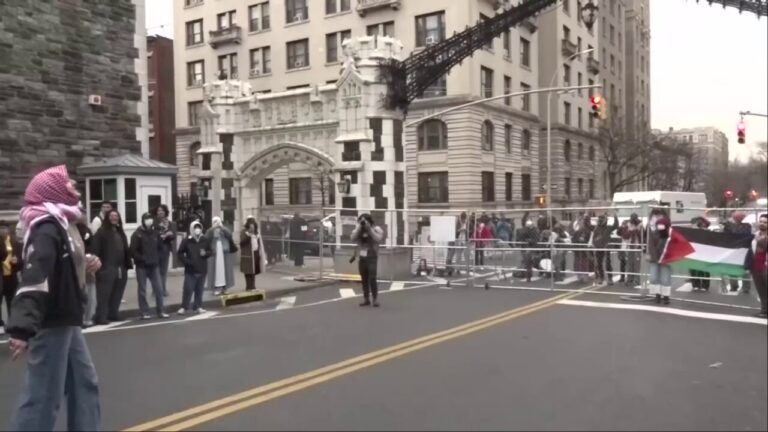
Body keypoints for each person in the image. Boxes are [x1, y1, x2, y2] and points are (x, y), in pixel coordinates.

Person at [6, 165, 101, 431]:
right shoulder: (46, 226)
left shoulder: (64, 222)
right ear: (53, 190)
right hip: (52, 321)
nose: (75, 188)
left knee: (85, 384)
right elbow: (37, 273)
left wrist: (86, 263)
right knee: (43, 397)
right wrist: (22, 327)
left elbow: (63, 263)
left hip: (67, 318)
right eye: (69, 184)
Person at [91, 210, 132, 324]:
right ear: (107, 218)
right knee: (104, 294)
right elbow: (95, 249)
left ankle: (113, 313)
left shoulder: (120, 231)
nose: (114, 218)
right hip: (107, 268)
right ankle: (101, 316)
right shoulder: (101, 232)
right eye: (112, 216)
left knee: (117, 292)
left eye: (116, 216)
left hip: (121, 267)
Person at [130, 212, 168, 319]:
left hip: (154, 266)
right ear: (143, 220)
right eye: (147, 219)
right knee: (142, 290)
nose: (149, 220)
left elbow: (161, 247)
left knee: (159, 289)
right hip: (142, 266)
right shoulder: (137, 234)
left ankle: (161, 311)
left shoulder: (155, 233)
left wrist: (157, 258)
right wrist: (142, 259)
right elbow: (133, 250)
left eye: (150, 218)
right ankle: (144, 312)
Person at [177, 220, 212, 315]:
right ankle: (184, 307)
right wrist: (187, 262)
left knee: (199, 289)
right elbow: (180, 253)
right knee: (188, 289)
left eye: (199, 228)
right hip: (190, 270)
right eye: (195, 228)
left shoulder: (204, 239)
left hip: (202, 268)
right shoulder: (187, 241)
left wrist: (206, 253)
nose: (197, 230)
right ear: (192, 229)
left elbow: (210, 251)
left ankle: (198, 306)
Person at [350, 214, 384, 307]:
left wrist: (369, 229)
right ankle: (366, 299)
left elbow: (378, 239)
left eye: (365, 221)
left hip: (372, 257)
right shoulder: (358, 229)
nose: (363, 223)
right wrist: (360, 227)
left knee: (372, 278)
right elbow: (352, 238)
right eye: (361, 221)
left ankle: (375, 299)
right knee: (364, 279)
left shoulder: (377, 229)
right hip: (362, 257)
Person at [206, 216, 237, 296]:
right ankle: (216, 288)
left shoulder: (224, 230)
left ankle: (225, 287)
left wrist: (222, 228)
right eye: (215, 222)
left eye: (218, 221)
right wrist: (213, 229)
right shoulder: (210, 230)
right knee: (215, 271)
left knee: (225, 270)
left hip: (224, 252)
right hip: (214, 253)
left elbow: (229, 235)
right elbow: (206, 239)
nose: (216, 223)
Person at [723, 211, 753, 293]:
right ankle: (739, 287)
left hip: (741, 251)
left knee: (742, 270)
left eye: (738, 217)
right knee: (737, 269)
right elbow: (725, 236)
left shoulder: (746, 226)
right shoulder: (730, 227)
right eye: (736, 217)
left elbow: (737, 234)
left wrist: (728, 226)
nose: (736, 219)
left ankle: (741, 287)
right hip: (737, 251)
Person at [647, 209, 672, 305]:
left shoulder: (666, 226)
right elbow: (649, 241)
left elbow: (664, 240)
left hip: (665, 255)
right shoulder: (650, 227)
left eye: (659, 215)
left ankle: (666, 296)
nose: (657, 218)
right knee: (653, 277)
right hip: (654, 255)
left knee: (665, 278)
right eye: (655, 215)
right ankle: (657, 294)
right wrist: (651, 254)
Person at [75, 215, 96, 327]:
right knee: (83, 292)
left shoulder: (87, 230)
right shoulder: (71, 230)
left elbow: (92, 245)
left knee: (90, 293)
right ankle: (82, 317)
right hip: (78, 266)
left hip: (88, 263)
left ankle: (87, 317)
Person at [1, 223, 23, 329]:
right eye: (0, 229)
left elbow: (22, 260)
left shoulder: (16, 244)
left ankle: (12, 322)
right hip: (1, 275)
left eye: (4, 228)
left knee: (12, 300)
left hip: (12, 276)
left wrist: (17, 261)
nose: (2, 231)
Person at [154, 204, 177, 298]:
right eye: (159, 210)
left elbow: (173, 235)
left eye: (162, 210)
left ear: (165, 212)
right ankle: (157, 289)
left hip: (165, 248)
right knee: (156, 271)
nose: (160, 212)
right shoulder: (153, 223)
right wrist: (161, 235)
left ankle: (163, 289)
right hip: (155, 249)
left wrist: (169, 234)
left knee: (163, 271)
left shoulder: (170, 223)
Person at [589, 214, 619, 285]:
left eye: (601, 220)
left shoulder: (608, 228)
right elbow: (594, 238)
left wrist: (615, 216)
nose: (600, 221)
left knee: (608, 263)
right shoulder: (596, 228)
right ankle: (601, 277)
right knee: (599, 264)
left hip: (606, 248)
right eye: (599, 219)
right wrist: (595, 245)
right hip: (598, 248)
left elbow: (616, 225)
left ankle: (610, 278)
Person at [240, 217, 267, 291]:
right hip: (247, 255)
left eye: (254, 225)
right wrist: (248, 235)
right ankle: (249, 286)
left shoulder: (256, 232)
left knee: (253, 271)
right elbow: (242, 242)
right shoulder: (244, 232)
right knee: (248, 271)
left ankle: (252, 286)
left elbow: (259, 243)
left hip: (255, 253)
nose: (253, 227)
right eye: (251, 225)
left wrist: (261, 253)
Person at [618, 213, 643, 287]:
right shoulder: (628, 225)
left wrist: (637, 229)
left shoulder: (640, 225)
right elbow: (624, 236)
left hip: (637, 246)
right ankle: (629, 278)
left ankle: (637, 280)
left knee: (637, 264)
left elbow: (642, 236)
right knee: (629, 263)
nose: (633, 221)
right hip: (629, 246)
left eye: (635, 219)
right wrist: (631, 230)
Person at [750, 214, 768, 318]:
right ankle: (764, 311)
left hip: (766, 266)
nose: (762, 224)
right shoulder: (755, 235)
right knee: (761, 291)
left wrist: (761, 240)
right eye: (761, 221)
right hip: (756, 266)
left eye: (765, 222)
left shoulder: (761, 237)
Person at [689, 216, 712, 292]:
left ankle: (705, 285)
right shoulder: (692, 232)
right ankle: (695, 284)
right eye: (699, 223)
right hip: (694, 253)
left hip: (705, 253)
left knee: (704, 270)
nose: (700, 224)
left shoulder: (708, 232)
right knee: (694, 269)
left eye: (702, 223)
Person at [517, 216, 540, 282]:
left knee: (528, 263)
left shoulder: (525, 230)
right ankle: (528, 276)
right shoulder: (533, 230)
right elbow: (535, 239)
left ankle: (528, 276)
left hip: (528, 247)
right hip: (529, 247)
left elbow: (535, 239)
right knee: (528, 263)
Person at [572, 215, 594, 282]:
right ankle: (584, 277)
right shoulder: (585, 230)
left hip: (579, 248)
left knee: (579, 262)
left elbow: (573, 240)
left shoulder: (580, 230)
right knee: (584, 262)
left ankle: (580, 277)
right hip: (583, 248)